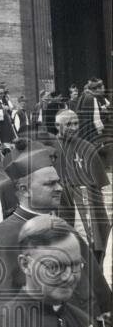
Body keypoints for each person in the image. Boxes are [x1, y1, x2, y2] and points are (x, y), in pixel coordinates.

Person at [0, 147, 111, 327]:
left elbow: (96, 294)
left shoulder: (65, 230)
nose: (59, 188)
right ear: (24, 190)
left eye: (58, 182)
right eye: (50, 184)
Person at [55, 108, 111, 262]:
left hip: (86, 202)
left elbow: (100, 186)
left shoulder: (87, 147)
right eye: (69, 124)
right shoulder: (50, 147)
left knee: (91, 244)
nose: (74, 127)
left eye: (76, 123)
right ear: (57, 126)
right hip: (61, 202)